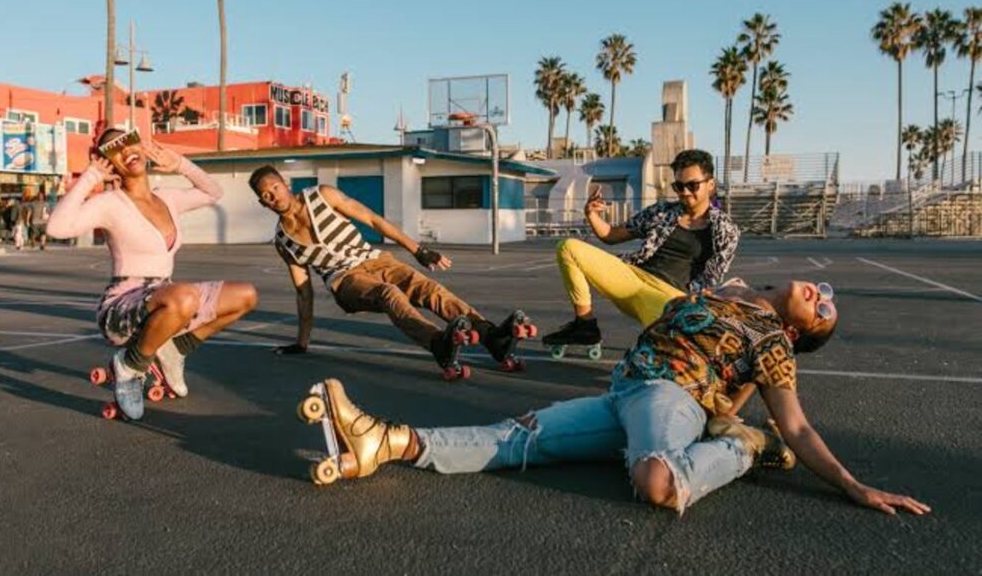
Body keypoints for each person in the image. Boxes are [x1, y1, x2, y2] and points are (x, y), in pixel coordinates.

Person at [299, 279, 930, 518]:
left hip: (669, 398)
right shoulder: (731, 294)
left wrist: (854, 486)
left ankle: (739, 453)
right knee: (519, 436)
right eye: (823, 291)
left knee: (656, 481)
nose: (821, 293)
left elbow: (796, 427)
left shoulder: (774, 343)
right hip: (624, 392)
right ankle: (386, 442)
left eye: (825, 309)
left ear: (799, 333)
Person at [47, 128, 259, 420]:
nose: (125, 151)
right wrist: (92, 177)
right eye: (114, 150)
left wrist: (181, 164)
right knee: (184, 297)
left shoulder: (167, 198)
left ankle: (173, 350)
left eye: (128, 141)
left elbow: (214, 192)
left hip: (165, 299)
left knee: (245, 295)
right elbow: (56, 228)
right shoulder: (110, 203)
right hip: (122, 306)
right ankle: (130, 366)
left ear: (141, 146)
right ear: (108, 162)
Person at [249, 165, 534, 378]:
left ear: (285, 183)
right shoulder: (284, 242)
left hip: (377, 260)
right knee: (389, 295)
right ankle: (438, 343)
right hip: (345, 281)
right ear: (262, 203)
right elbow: (303, 291)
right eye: (266, 195)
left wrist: (418, 251)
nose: (273, 196)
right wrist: (302, 343)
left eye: (275, 187)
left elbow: (373, 220)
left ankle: (491, 337)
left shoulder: (323, 196)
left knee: (429, 289)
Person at [543, 149, 740, 354]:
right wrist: (591, 214)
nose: (685, 191)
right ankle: (585, 325)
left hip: (669, 299)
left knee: (667, 353)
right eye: (679, 186)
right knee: (568, 248)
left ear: (710, 184)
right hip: (632, 278)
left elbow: (712, 280)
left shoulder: (724, 230)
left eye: (693, 185)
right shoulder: (661, 212)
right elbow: (611, 235)